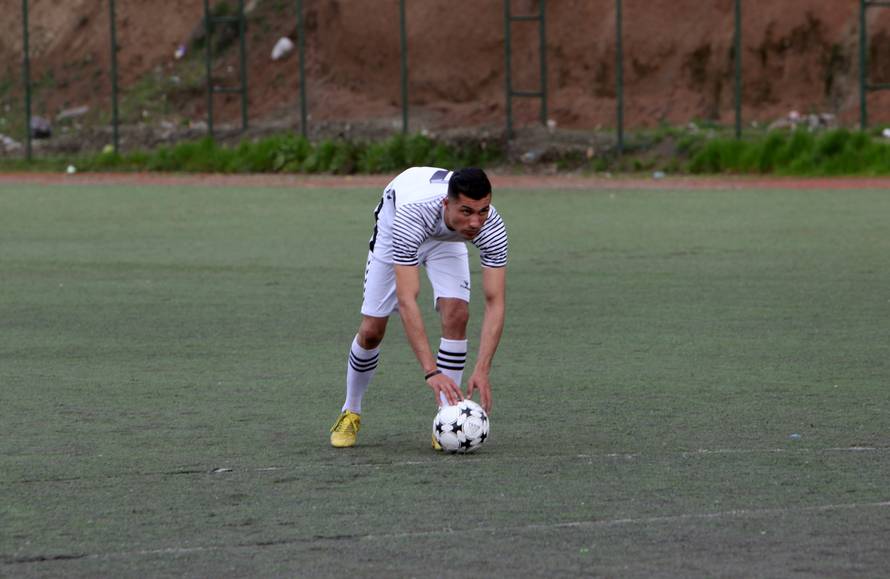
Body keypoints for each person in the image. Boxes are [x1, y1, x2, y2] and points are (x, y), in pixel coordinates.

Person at [330, 166, 508, 449]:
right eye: (466, 211)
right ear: (446, 203)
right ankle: (351, 410)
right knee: (372, 330)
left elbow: (495, 301)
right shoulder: (411, 217)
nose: (476, 222)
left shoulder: (490, 227)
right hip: (397, 227)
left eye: (483, 210)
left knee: (457, 313)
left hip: (448, 237)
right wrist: (431, 371)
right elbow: (407, 299)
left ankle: (447, 416)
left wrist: (482, 368)